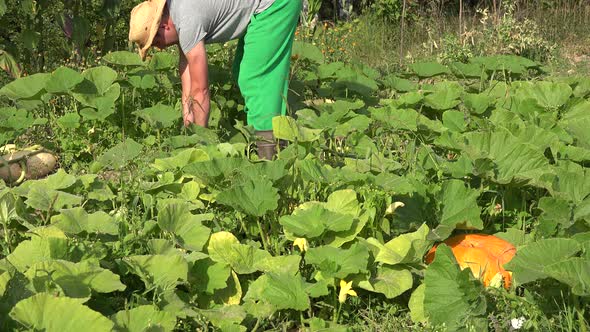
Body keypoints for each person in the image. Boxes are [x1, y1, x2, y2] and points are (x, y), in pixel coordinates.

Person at [128, 0, 301, 159]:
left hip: (276, 4)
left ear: (164, 26)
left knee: (255, 78)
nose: (159, 47)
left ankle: (270, 153)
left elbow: (201, 90)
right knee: (241, 70)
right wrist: (188, 116)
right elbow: (186, 67)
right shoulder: (178, 12)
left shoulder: (187, 21)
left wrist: (200, 141)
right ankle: (260, 134)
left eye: (155, 41)